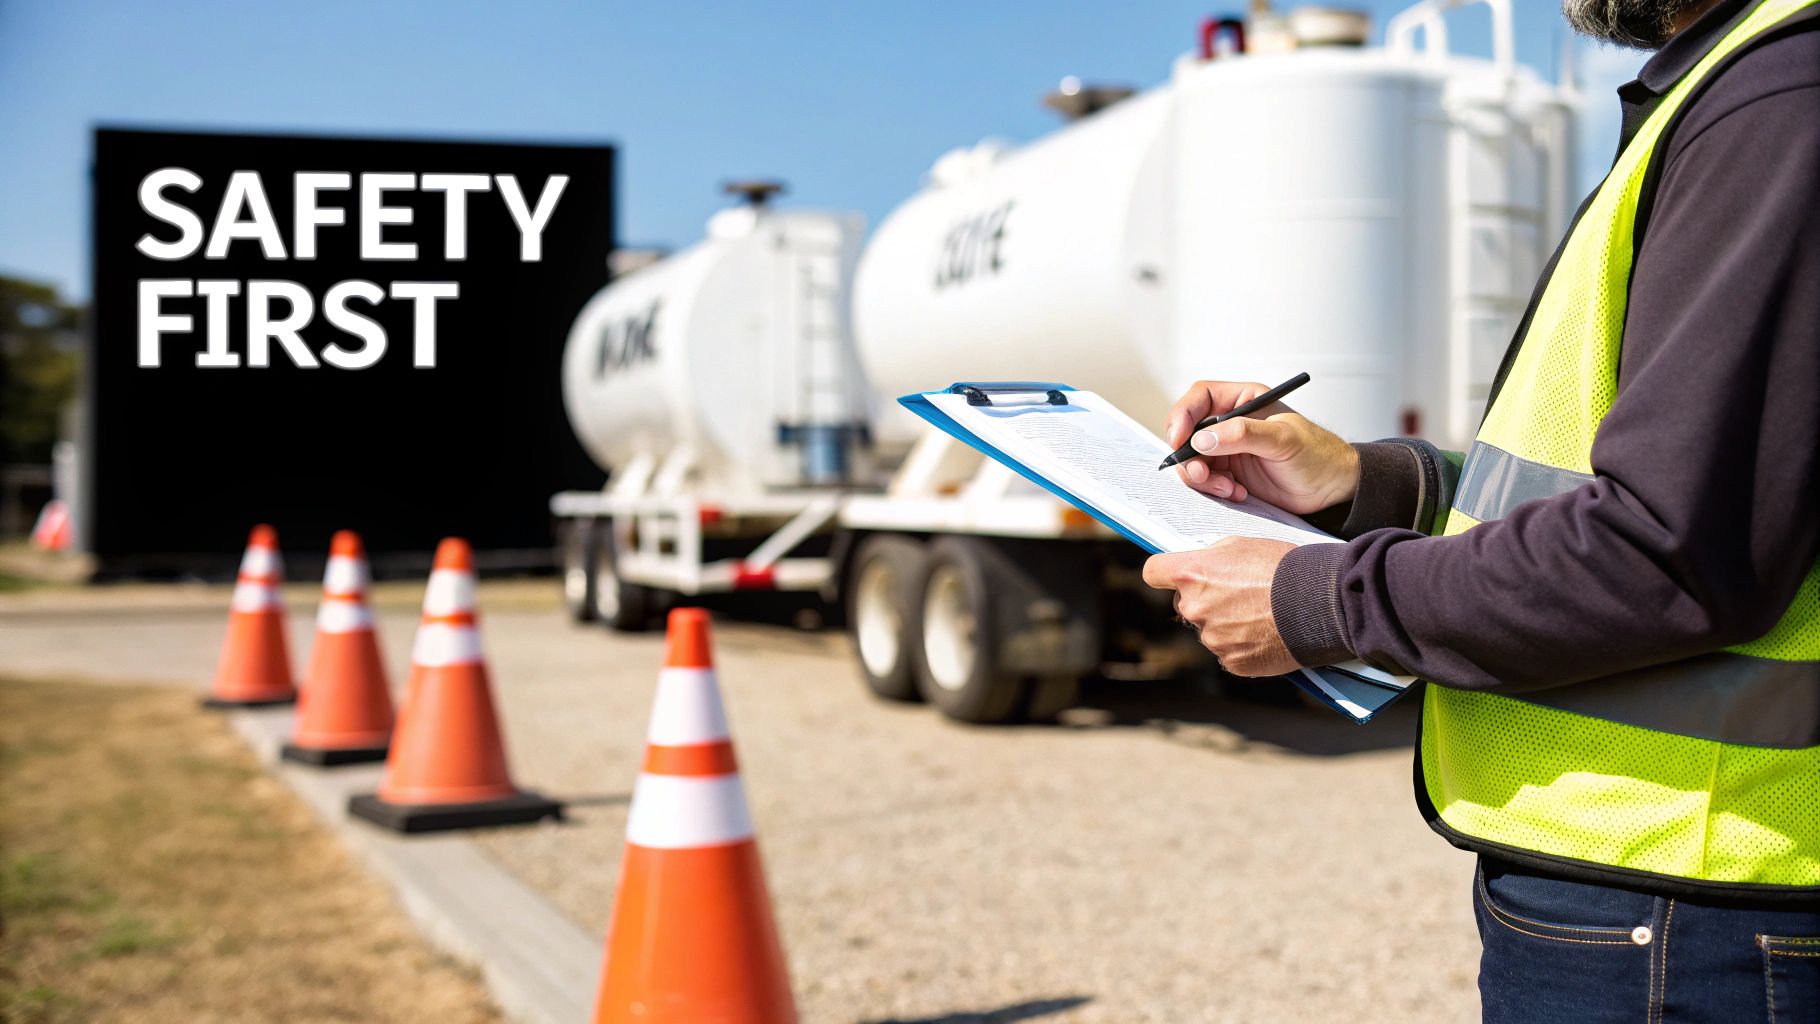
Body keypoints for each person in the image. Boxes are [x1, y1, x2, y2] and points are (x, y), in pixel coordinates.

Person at [1140, 0, 1820, 1019]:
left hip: (1685, 899)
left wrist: (1318, 601)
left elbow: (1664, 552)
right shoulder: (1734, 91)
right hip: (1658, 891)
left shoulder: (1778, 100)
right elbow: (1613, 495)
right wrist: (1359, 484)